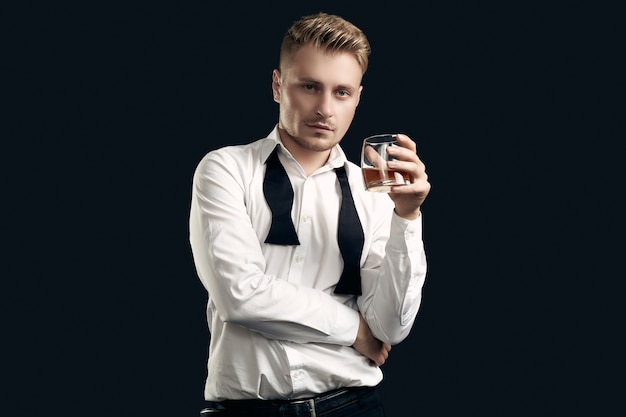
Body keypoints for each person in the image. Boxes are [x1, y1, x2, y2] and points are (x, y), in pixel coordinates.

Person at [189, 12, 430, 416]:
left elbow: (390, 327)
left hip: (352, 405)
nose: (324, 108)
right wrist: (353, 329)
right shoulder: (225, 168)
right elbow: (239, 295)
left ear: (357, 97)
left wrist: (407, 217)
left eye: (341, 92)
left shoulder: (371, 193)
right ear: (277, 85)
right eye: (309, 87)